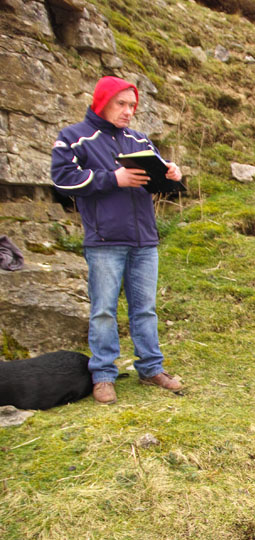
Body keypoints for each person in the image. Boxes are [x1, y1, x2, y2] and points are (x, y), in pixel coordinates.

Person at [51, 76, 184, 404]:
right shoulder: (73, 138)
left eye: (132, 105)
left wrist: (172, 176)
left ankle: (151, 369)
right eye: (121, 104)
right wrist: (113, 178)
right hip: (105, 240)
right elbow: (62, 180)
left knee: (145, 310)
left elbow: (158, 185)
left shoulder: (139, 140)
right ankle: (103, 376)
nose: (128, 111)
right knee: (103, 311)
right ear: (102, 102)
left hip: (144, 240)